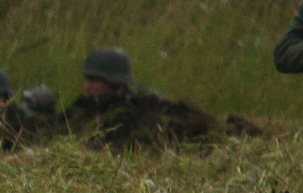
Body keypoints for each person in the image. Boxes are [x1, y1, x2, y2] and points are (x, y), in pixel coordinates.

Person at [61, 46, 219, 148]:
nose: (87, 86)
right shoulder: (82, 109)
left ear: (116, 84)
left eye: (94, 80)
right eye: (88, 80)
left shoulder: (142, 109)